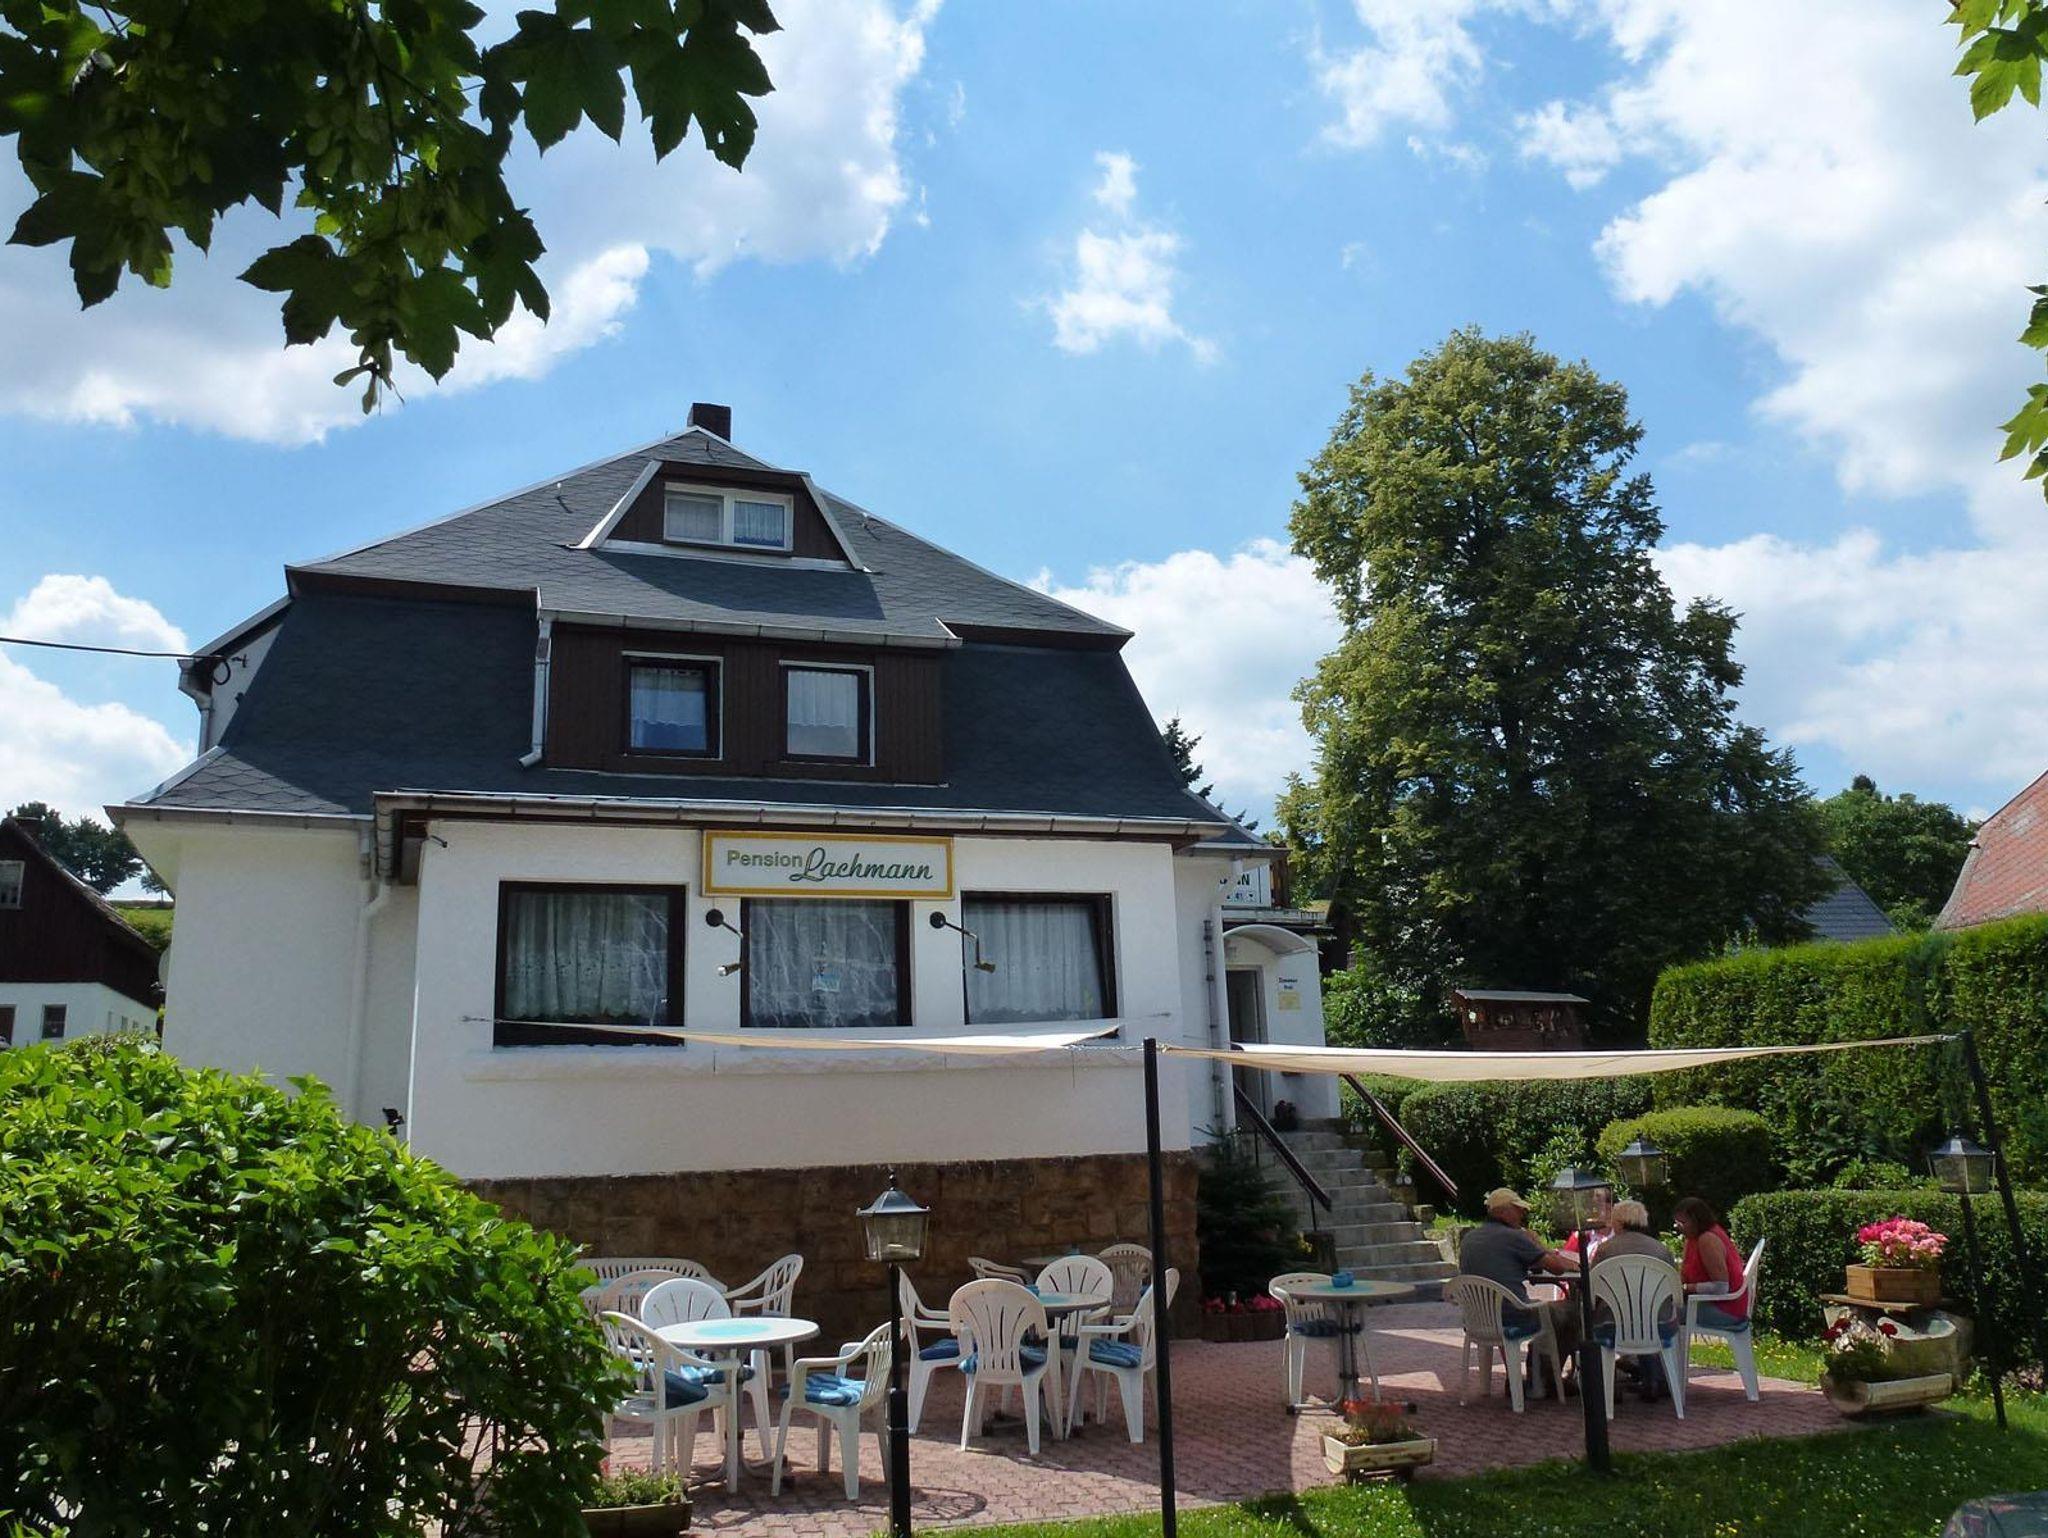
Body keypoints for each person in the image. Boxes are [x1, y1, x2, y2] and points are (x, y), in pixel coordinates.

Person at [1458, 1187, 1582, 1372]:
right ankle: (1545, 1377)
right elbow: (1556, 1268)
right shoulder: (1513, 1237)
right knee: (1572, 1311)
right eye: (1518, 1209)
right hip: (1514, 1316)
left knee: (1510, 1306)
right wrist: (1537, 1245)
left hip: (1478, 1319)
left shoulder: (1469, 1238)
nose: (1522, 1214)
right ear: (1503, 1212)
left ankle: (1515, 1376)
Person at [1590, 1199, 1681, 1401]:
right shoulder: (1662, 1250)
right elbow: (1673, 1291)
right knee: (1643, 1317)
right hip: (1658, 1325)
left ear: (1618, 1222)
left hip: (1613, 1326)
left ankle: (1605, 1385)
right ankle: (1654, 1380)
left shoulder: (1605, 1250)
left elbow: (1592, 1289)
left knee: (1589, 1320)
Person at [1673, 1195, 1751, 1329]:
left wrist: (1686, 1288)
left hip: (1726, 1309)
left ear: (1697, 1221)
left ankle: (1663, 1343)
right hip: (1708, 1303)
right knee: (1660, 1310)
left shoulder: (1707, 1239)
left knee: (1660, 1316)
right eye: (1677, 1223)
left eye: (1683, 1223)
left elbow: (1721, 1287)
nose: (1678, 1227)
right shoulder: (1692, 1238)